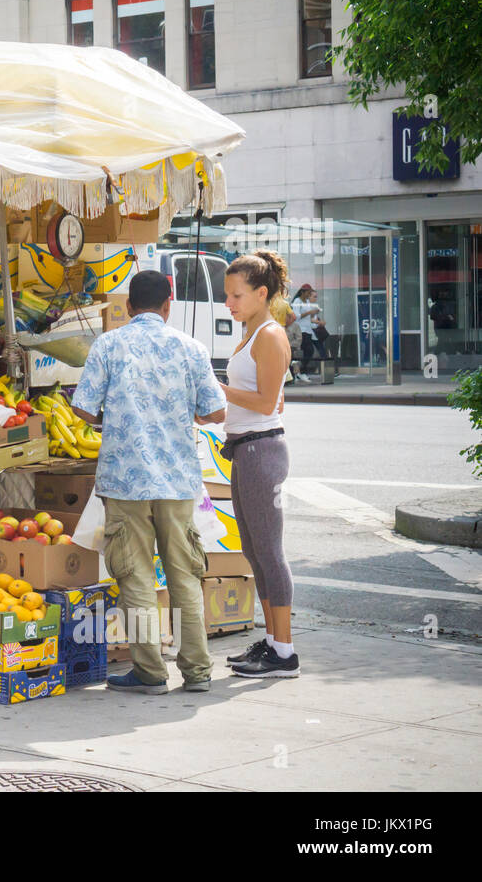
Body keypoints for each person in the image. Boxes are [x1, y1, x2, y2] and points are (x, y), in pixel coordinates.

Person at [72, 270, 227, 695]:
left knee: (136, 578)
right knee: (184, 577)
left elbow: (83, 409)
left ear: (128, 306)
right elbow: (216, 412)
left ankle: (150, 671)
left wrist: (116, 417)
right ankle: (197, 671)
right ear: (168, 304)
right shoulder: (191, 348)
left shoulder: (109, 344)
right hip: (178, 484)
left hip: (124, 483)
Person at [220, 250, 299, 678]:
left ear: (261, 293)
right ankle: (271, 643)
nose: (229, 303)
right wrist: (216, 409)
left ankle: (285, 653)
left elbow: (268, 402)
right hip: (245, 448)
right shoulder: (251, 334)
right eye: (227, 295)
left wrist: (220, 390)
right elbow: (265, 397)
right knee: (252, 549)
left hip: (262, 452)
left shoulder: (269, 335)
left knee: (269, 551)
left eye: (236, 295)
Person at [290, 284, 325, 379]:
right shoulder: (297, 301)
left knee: (308, 351)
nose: (309, 295)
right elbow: (296, 316)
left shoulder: (307, 302)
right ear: (303, 292)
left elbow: (309, 318)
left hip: (308, 330)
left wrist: (315, 321)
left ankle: (300, 370)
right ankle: (300, 370)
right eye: (308, 293)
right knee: (309, 350)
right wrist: (310, 312)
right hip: (301, 330)